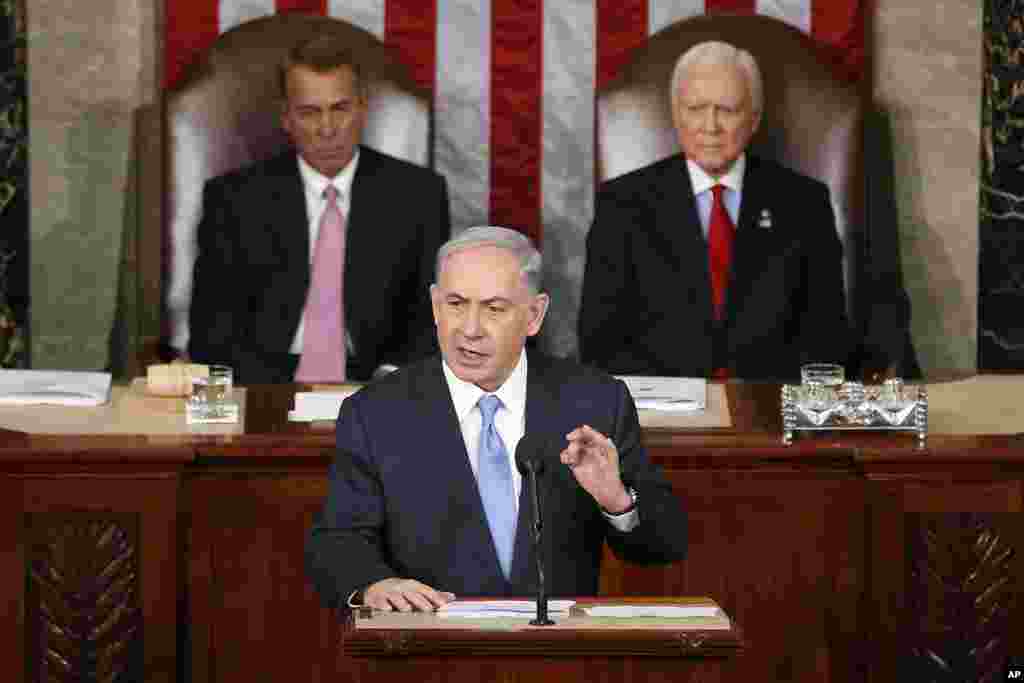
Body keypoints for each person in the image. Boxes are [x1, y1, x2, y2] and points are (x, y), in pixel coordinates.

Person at [306, 226, 687, 611]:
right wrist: (374, 584)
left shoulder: (595, 401)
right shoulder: (376, 412)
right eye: (456, 304)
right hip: (431, 641)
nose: (470, 329)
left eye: (494, 308)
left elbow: (664, 545)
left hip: (557, 644)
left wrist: (616, 498)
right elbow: (338, 539)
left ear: (534, 315)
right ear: (435, 306)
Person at [578, 41, 850, 381]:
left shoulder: (805, 203)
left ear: (754, 119)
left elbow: (827, 338)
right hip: (661, 406)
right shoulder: (622, 204)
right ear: (676, 114)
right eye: (696, 108)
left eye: (727, 110)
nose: (711, 126)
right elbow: (600, 344)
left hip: (770, 404)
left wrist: (758, 398)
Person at [188, 36, 451, 384]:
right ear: (286, 118)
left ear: (362, 108)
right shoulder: (233, 199)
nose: (327, 129)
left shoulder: (418, 195)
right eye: (309, 112)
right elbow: (211, 330)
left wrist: (392, 379)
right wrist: (267, 392)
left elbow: (433, 317)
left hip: (377, 381)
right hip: (265, 383)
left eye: (340, 109)